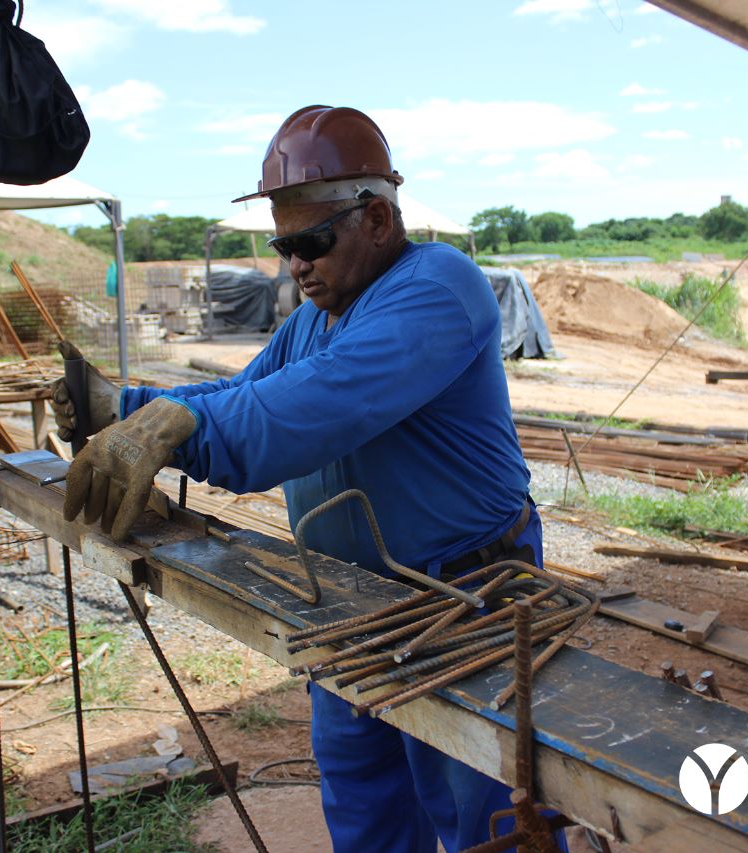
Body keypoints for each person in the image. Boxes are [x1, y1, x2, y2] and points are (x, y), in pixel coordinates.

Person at [51, 105, 563, 853]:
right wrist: (122, 407)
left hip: (467, 598)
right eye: (283, 244)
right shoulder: (312, 318)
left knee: (483, 817)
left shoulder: (439, 288)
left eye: (311, 242)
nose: (295, 264)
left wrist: (176, 431)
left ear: (379, 220)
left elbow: (317, 405)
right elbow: (242, 393)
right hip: (352, 602)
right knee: (368, 807)